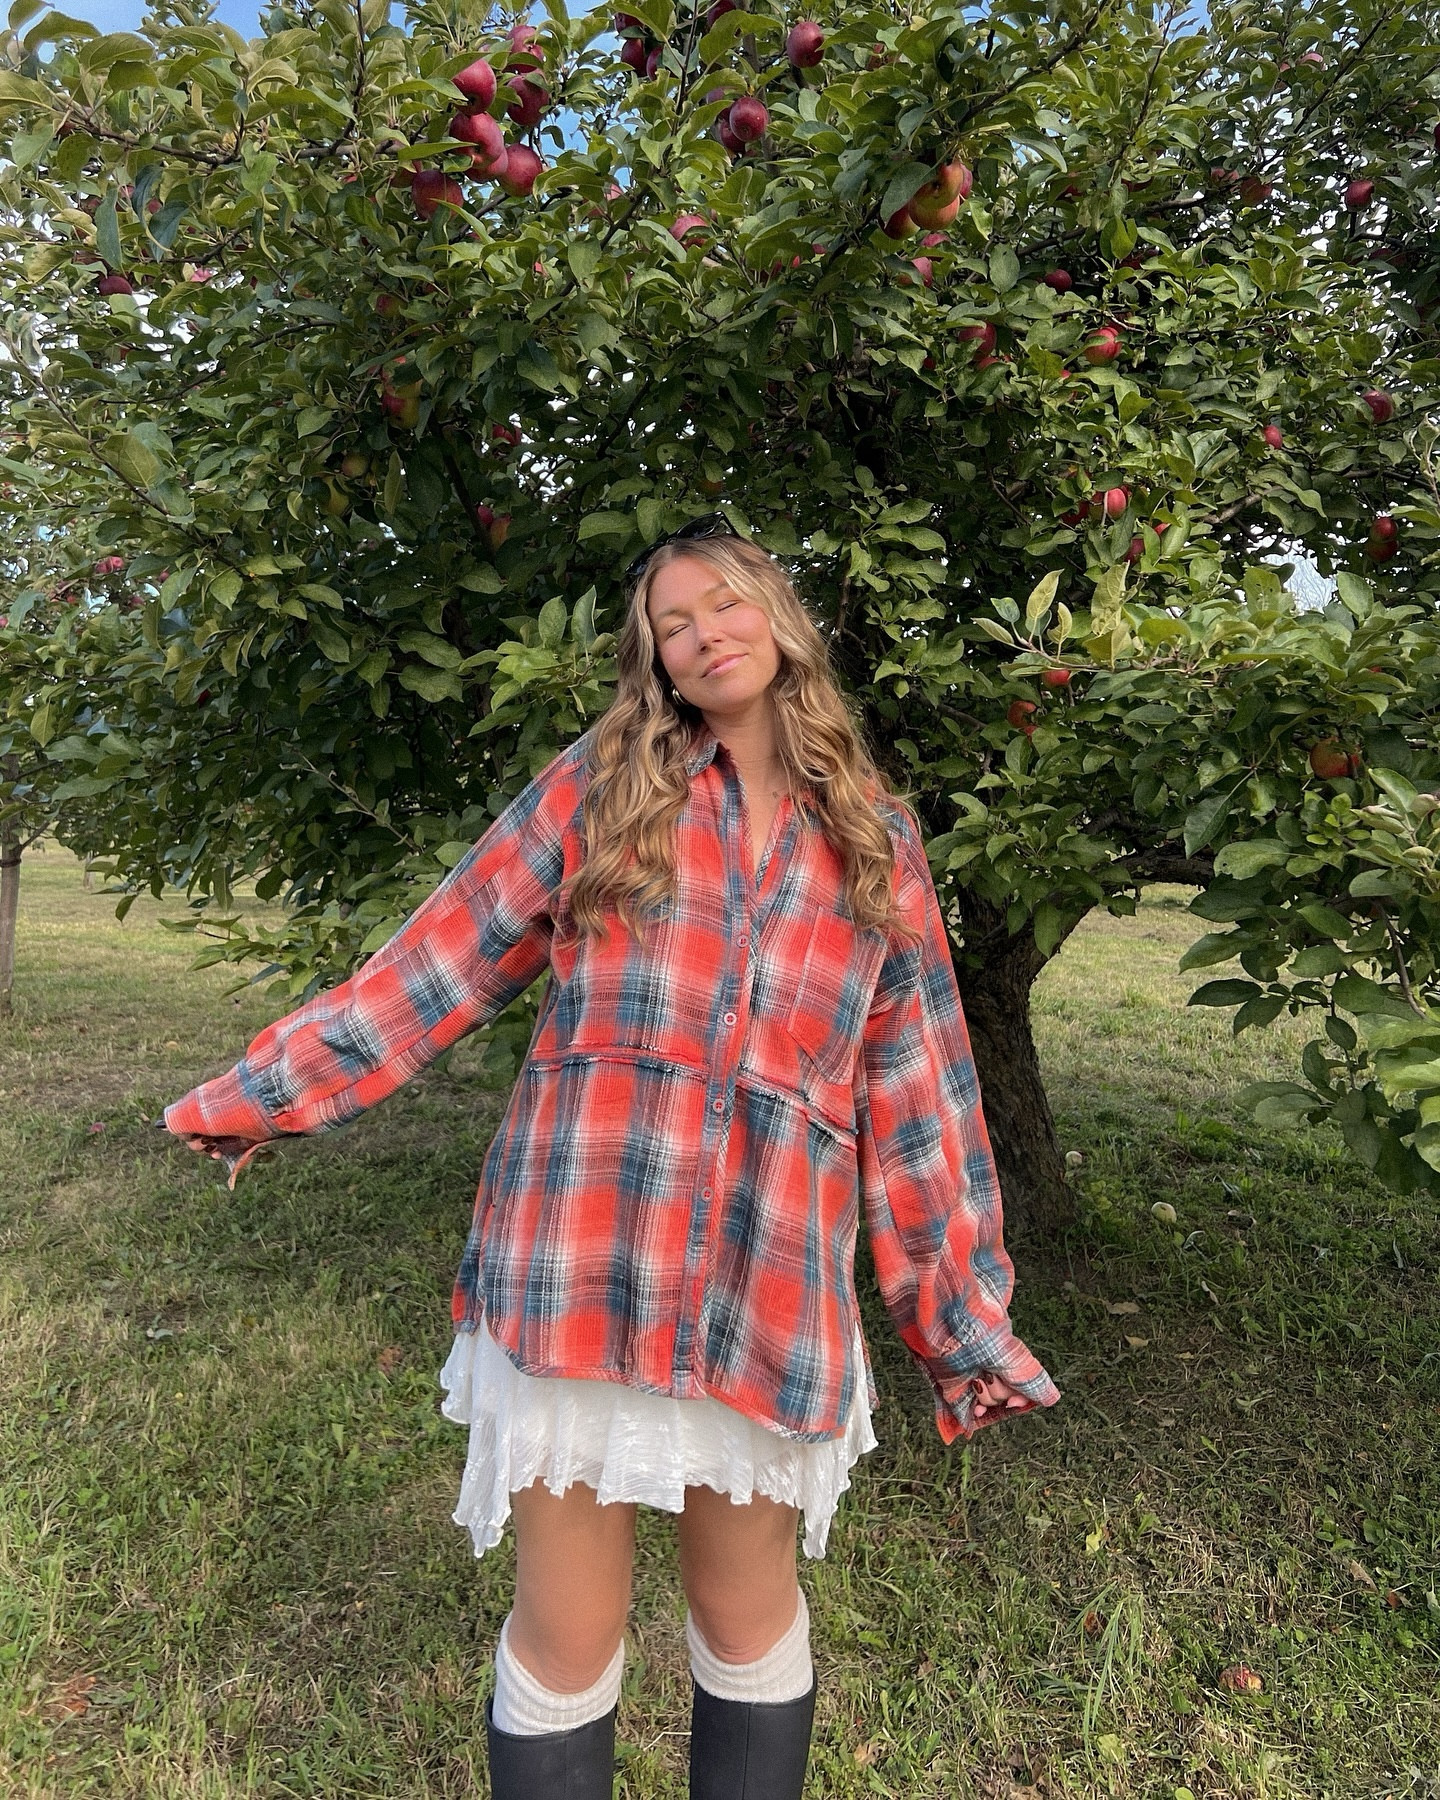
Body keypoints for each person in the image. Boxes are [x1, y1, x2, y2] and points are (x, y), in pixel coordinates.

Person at [160, 514, 1060, 1800]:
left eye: (723, 605)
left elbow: (922, 1096)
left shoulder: (876, 841)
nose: (703, 634)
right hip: (581, 1254)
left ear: (778, 617)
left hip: (766, 1274)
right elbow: (441, 955)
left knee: (748, 1618)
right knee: (567, 1631)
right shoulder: (603, 786)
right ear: (656, 661)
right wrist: (265, 1094)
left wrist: (960, 1321)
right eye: (672, 624)